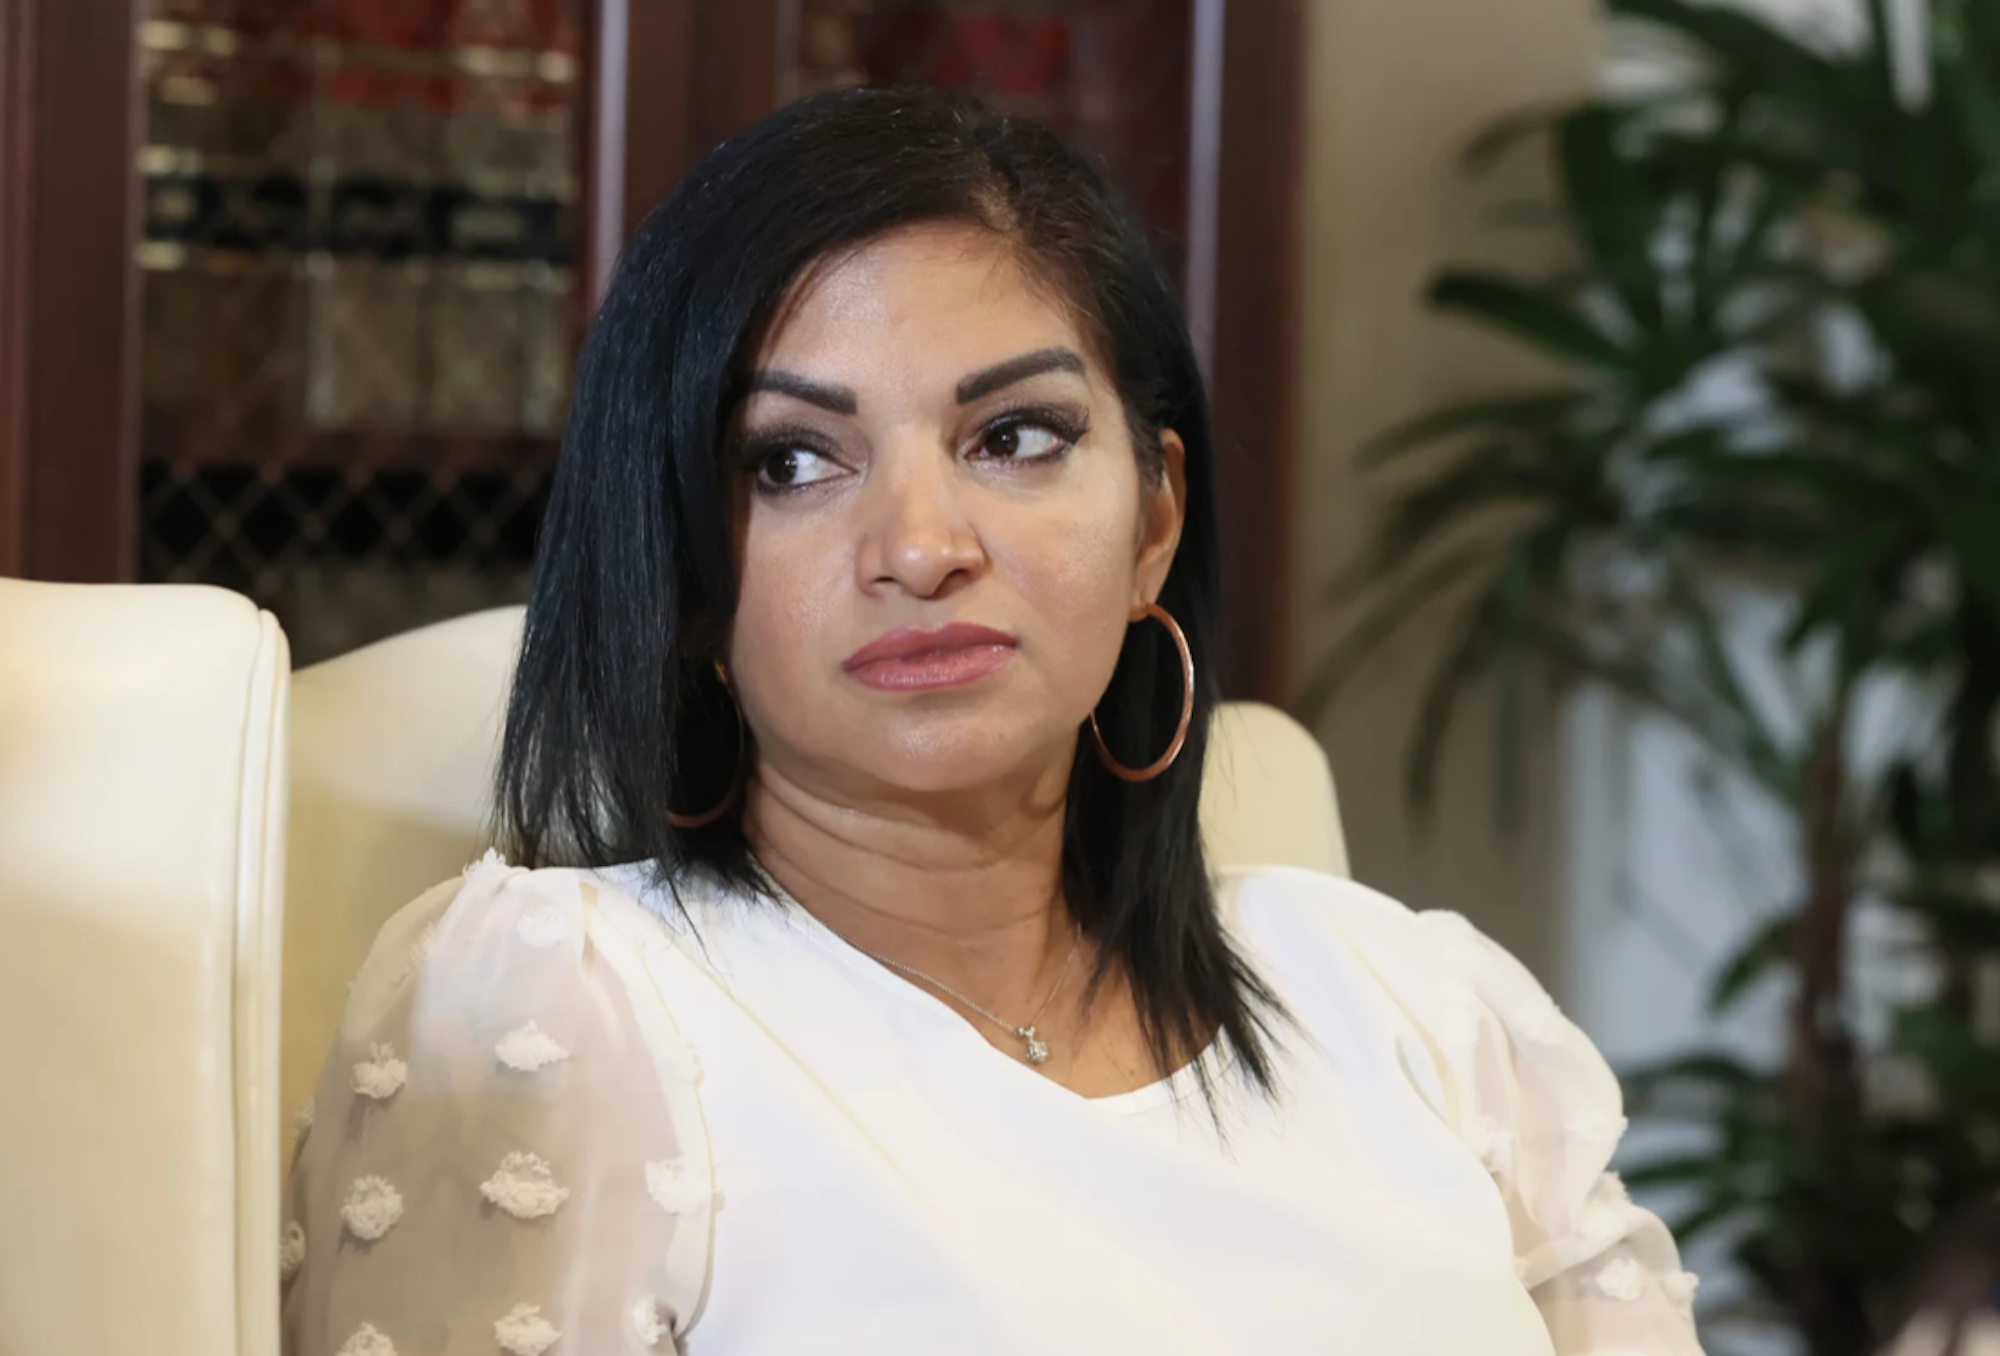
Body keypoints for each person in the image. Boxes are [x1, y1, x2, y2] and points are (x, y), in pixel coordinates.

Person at [279, 85, 1704, 1356]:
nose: (918, 544)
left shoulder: (1419, 1010)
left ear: (1155, 517)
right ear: (688, 581)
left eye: (1013, 437)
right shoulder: (561, 1007)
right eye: (791, 461)